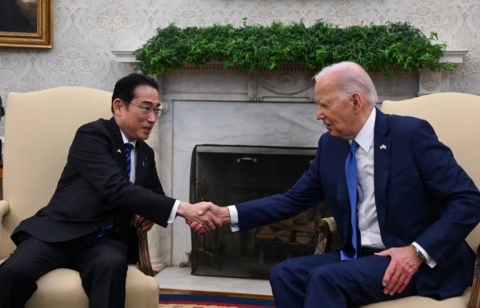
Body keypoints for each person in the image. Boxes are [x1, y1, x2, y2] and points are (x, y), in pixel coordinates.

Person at [192, 61, 480, 307]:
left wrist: (416, 252)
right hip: (361, 258)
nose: (318, 114)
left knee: (326, 279)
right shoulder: (332, 146)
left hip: (415, 262)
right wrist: (226, 214)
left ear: (355, 101)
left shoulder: (410, 135)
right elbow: (293, 199)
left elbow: (469, 200)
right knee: (285, 273)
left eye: (324, 105)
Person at [0, 73, 220, 308]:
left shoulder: (145, 153)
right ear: (119, 106)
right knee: (14, 272)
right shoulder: (92, 135)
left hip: (104, 240)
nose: (153, 118)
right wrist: (185, 209)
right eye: (146, 108)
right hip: (58, 233)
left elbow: (154, 196)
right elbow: (116, 188)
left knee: (112, 265)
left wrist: (160, 214)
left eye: (157, 110)